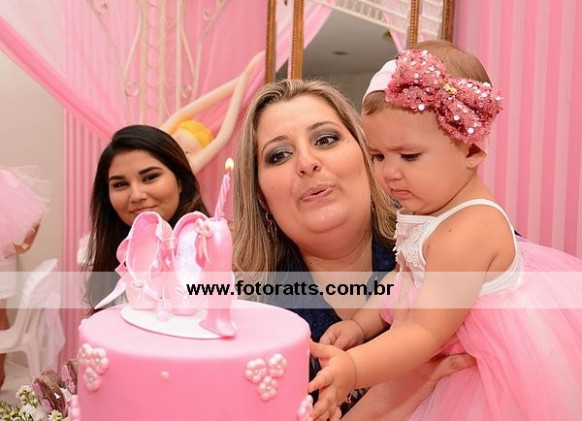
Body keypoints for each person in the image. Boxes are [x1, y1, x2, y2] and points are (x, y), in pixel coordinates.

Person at [309, 40, 582, 421]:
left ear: (471, 151)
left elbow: (425, 331)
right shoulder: (428, 208)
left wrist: (353, 368)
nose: (390, 172)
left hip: (483, 379)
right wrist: (360, 324)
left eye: (409, 156)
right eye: (378, 156)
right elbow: (403, 278)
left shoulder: (469, 229)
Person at [233, 78, 475, 419]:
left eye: (325, 139)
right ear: (261, 197)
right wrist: (393, 394)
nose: (306, 162)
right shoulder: (247, 315)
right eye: (279, 155)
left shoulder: (453, 237)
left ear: (366, 153)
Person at [84, 124, 208, 312]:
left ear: (180, 181)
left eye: (150, 177)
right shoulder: (108, 262)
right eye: (120, 185)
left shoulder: (217, 249)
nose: (136, 195)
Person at [160, 52, 264, 174]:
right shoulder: (179, 165)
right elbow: (222, 137)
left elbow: (182, 114)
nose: (176, 150)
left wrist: (245, 78)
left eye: (187, 152)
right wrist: (244, 78)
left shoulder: (179, 163)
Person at [0, 165, 50, 390]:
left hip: (2, 260)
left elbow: (37, 210)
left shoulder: (5, 179)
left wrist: (24, 245)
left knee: (0, 314)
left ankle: (0, 372)